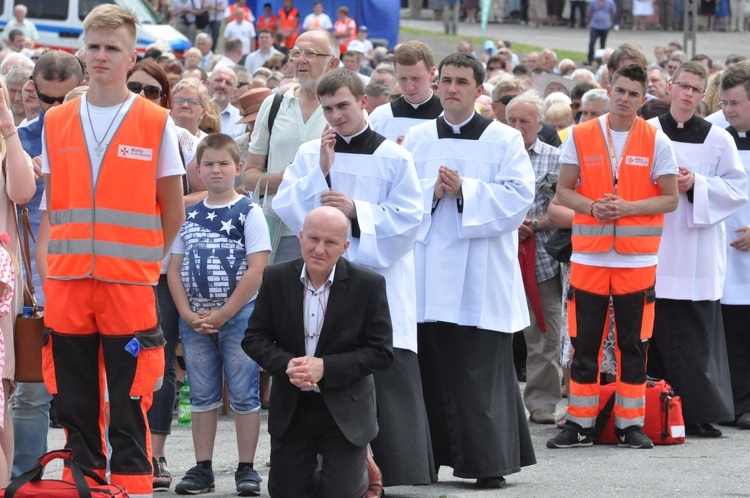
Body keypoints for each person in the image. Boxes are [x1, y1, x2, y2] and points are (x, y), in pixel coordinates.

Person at [40, 5, 185, 496]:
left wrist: (147, 264)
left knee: (130, 401)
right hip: (68, 283)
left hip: (129, 286)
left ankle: (133, 488)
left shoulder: (156, 122)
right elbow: (53, 209)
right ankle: (82, 486)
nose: (100, 56)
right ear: (83, 50)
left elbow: (173, 210)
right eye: (94, 47)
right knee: (73, 402)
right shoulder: (56, 121)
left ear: (131, 57)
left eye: (112, 49)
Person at [273, 68, 435, 489]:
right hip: (322, 287)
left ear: (364, 103)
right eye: (327, 109)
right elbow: (287, 208)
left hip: (376, 284)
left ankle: (389, 475)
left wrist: (356, 211)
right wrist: (321, 173)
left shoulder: (394, 157)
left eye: (343, 105)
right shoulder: (312, 153)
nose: (336, 116)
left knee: (378, 375)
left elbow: (409, 223)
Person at [403, 52, 537, 489]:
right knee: (430, 368)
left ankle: (486, 462)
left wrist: (467, 192)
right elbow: (401, 196)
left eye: (462, 81)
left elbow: (519, 198)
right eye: (446, 80)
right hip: (426, 272)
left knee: (478, 372)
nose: (452, 88)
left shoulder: (504, 139)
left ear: (479, 91)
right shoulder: (419, 137)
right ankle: (425, 462)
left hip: (480, 273)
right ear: (437, 85)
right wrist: (430, 191)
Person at [546, 63, 679, 450]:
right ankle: (579, 424)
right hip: (589, 256)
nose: (624, 99)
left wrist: (627, 208)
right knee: (583, 342)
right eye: (619, 90)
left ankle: (630, 424)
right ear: (608, 89)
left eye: (633, 94)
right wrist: (593, 207)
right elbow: (563, 193)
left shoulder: (657, 140)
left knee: (633, 345)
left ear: (643, 98)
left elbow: (670, 198)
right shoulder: (581, 134)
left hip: (636, 260)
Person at [243, 206, 393, 497]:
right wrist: (289, 365)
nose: (319, 249)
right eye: (313, 239)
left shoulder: (368, 285)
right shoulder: (275, 277)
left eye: (330, 242)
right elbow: (254, 338)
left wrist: (325, 367)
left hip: (345, 408)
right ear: (300, 237)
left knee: (339, 492)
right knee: (287, 492)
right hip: (292, 408)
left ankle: (362, 466)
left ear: (345, 246)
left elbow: (381, 352)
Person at [647, 61, 748, 438]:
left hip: (699, 251)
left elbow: (736, 191)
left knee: (697, 333)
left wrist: (696, 184)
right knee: (656, 333)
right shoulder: (649, 133)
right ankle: (660, 408)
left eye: (696, 88)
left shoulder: (718, 139)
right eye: (682, 86)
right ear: (670, 88)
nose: (688, 94)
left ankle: (701, 413)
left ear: (702, 94)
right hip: (657, 243)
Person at [168, 134, 269, 496]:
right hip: (194, 319)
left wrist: (225, 314)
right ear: (197, 169)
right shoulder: (187, 215)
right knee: (202, 393)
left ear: (238, 168)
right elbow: (174, 269)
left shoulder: (249, 212)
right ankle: (203, 467)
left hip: (239, 317)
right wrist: (186, 313)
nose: (216, 170)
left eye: (224, 163)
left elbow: (256, 270)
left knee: (244, 392)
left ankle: (246, 468)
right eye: (208, 164)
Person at [127, 59, 208, 492]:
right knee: (123, 362)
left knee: (158, 361)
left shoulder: (181, 139)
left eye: (153, 91)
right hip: (117, 266)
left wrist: (168, 212)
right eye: (135, 88)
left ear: (166, 98)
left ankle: (155, 455)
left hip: (163, 267)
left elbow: (211, 188)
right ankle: (121, 450)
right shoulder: (108, 129)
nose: (143, 97)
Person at [13, 50, 83, 480]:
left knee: (89, 392)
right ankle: (25, 479)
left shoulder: (102, 134)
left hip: (91, 275)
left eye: (65, 99)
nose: (56, 109)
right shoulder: (18, 139)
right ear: (32, 91)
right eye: (48, 98)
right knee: (31, 393)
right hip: (35, 285)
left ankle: (88, 477)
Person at [241, 29, 340, 263]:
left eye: (311, 53)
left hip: (325, 234)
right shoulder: (273, 104)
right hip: (275, 233)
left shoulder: (344, 110)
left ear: (333, 63)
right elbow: (249, 176)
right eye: (296, 53)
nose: (301, 60)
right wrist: (283, 180)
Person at [505, 91, 563, 426]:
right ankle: (498, 401)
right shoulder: (495, 153)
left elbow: (564, 206)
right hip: (499, 256)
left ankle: (541, 402)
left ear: (539, 124)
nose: (516, 126)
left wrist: (534, 225)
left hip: (540, 259)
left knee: (545, 333)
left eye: (524, 121)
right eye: (511, 120)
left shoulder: (555, 158)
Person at [718, 61, 750, 428]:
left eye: (736, 103)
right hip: (723, 249)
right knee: (729, 332)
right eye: (725, 102)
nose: (728, 110)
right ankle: (734, 403)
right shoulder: (714, 133)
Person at [369, 41, 442, 145]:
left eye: (416, 78)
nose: (409, 87)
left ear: (432, 73)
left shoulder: (449, 117)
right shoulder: (380, 117)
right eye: (402, 79)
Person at [206, 67, 245, 138]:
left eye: (228, 83)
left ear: (235, 92)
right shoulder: (193, 112)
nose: (222, 86)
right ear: (207, 83)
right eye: (218, 80)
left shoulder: (242, 121)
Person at [587, 0, 617, 65]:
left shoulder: (610, 2)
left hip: (605, 25)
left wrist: (607, 18)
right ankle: (590, 59)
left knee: (602, 44)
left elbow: (613, 13)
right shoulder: (593, 2)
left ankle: (601, 60)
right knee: (592, 42)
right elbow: (590, 12)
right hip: (595, 25)